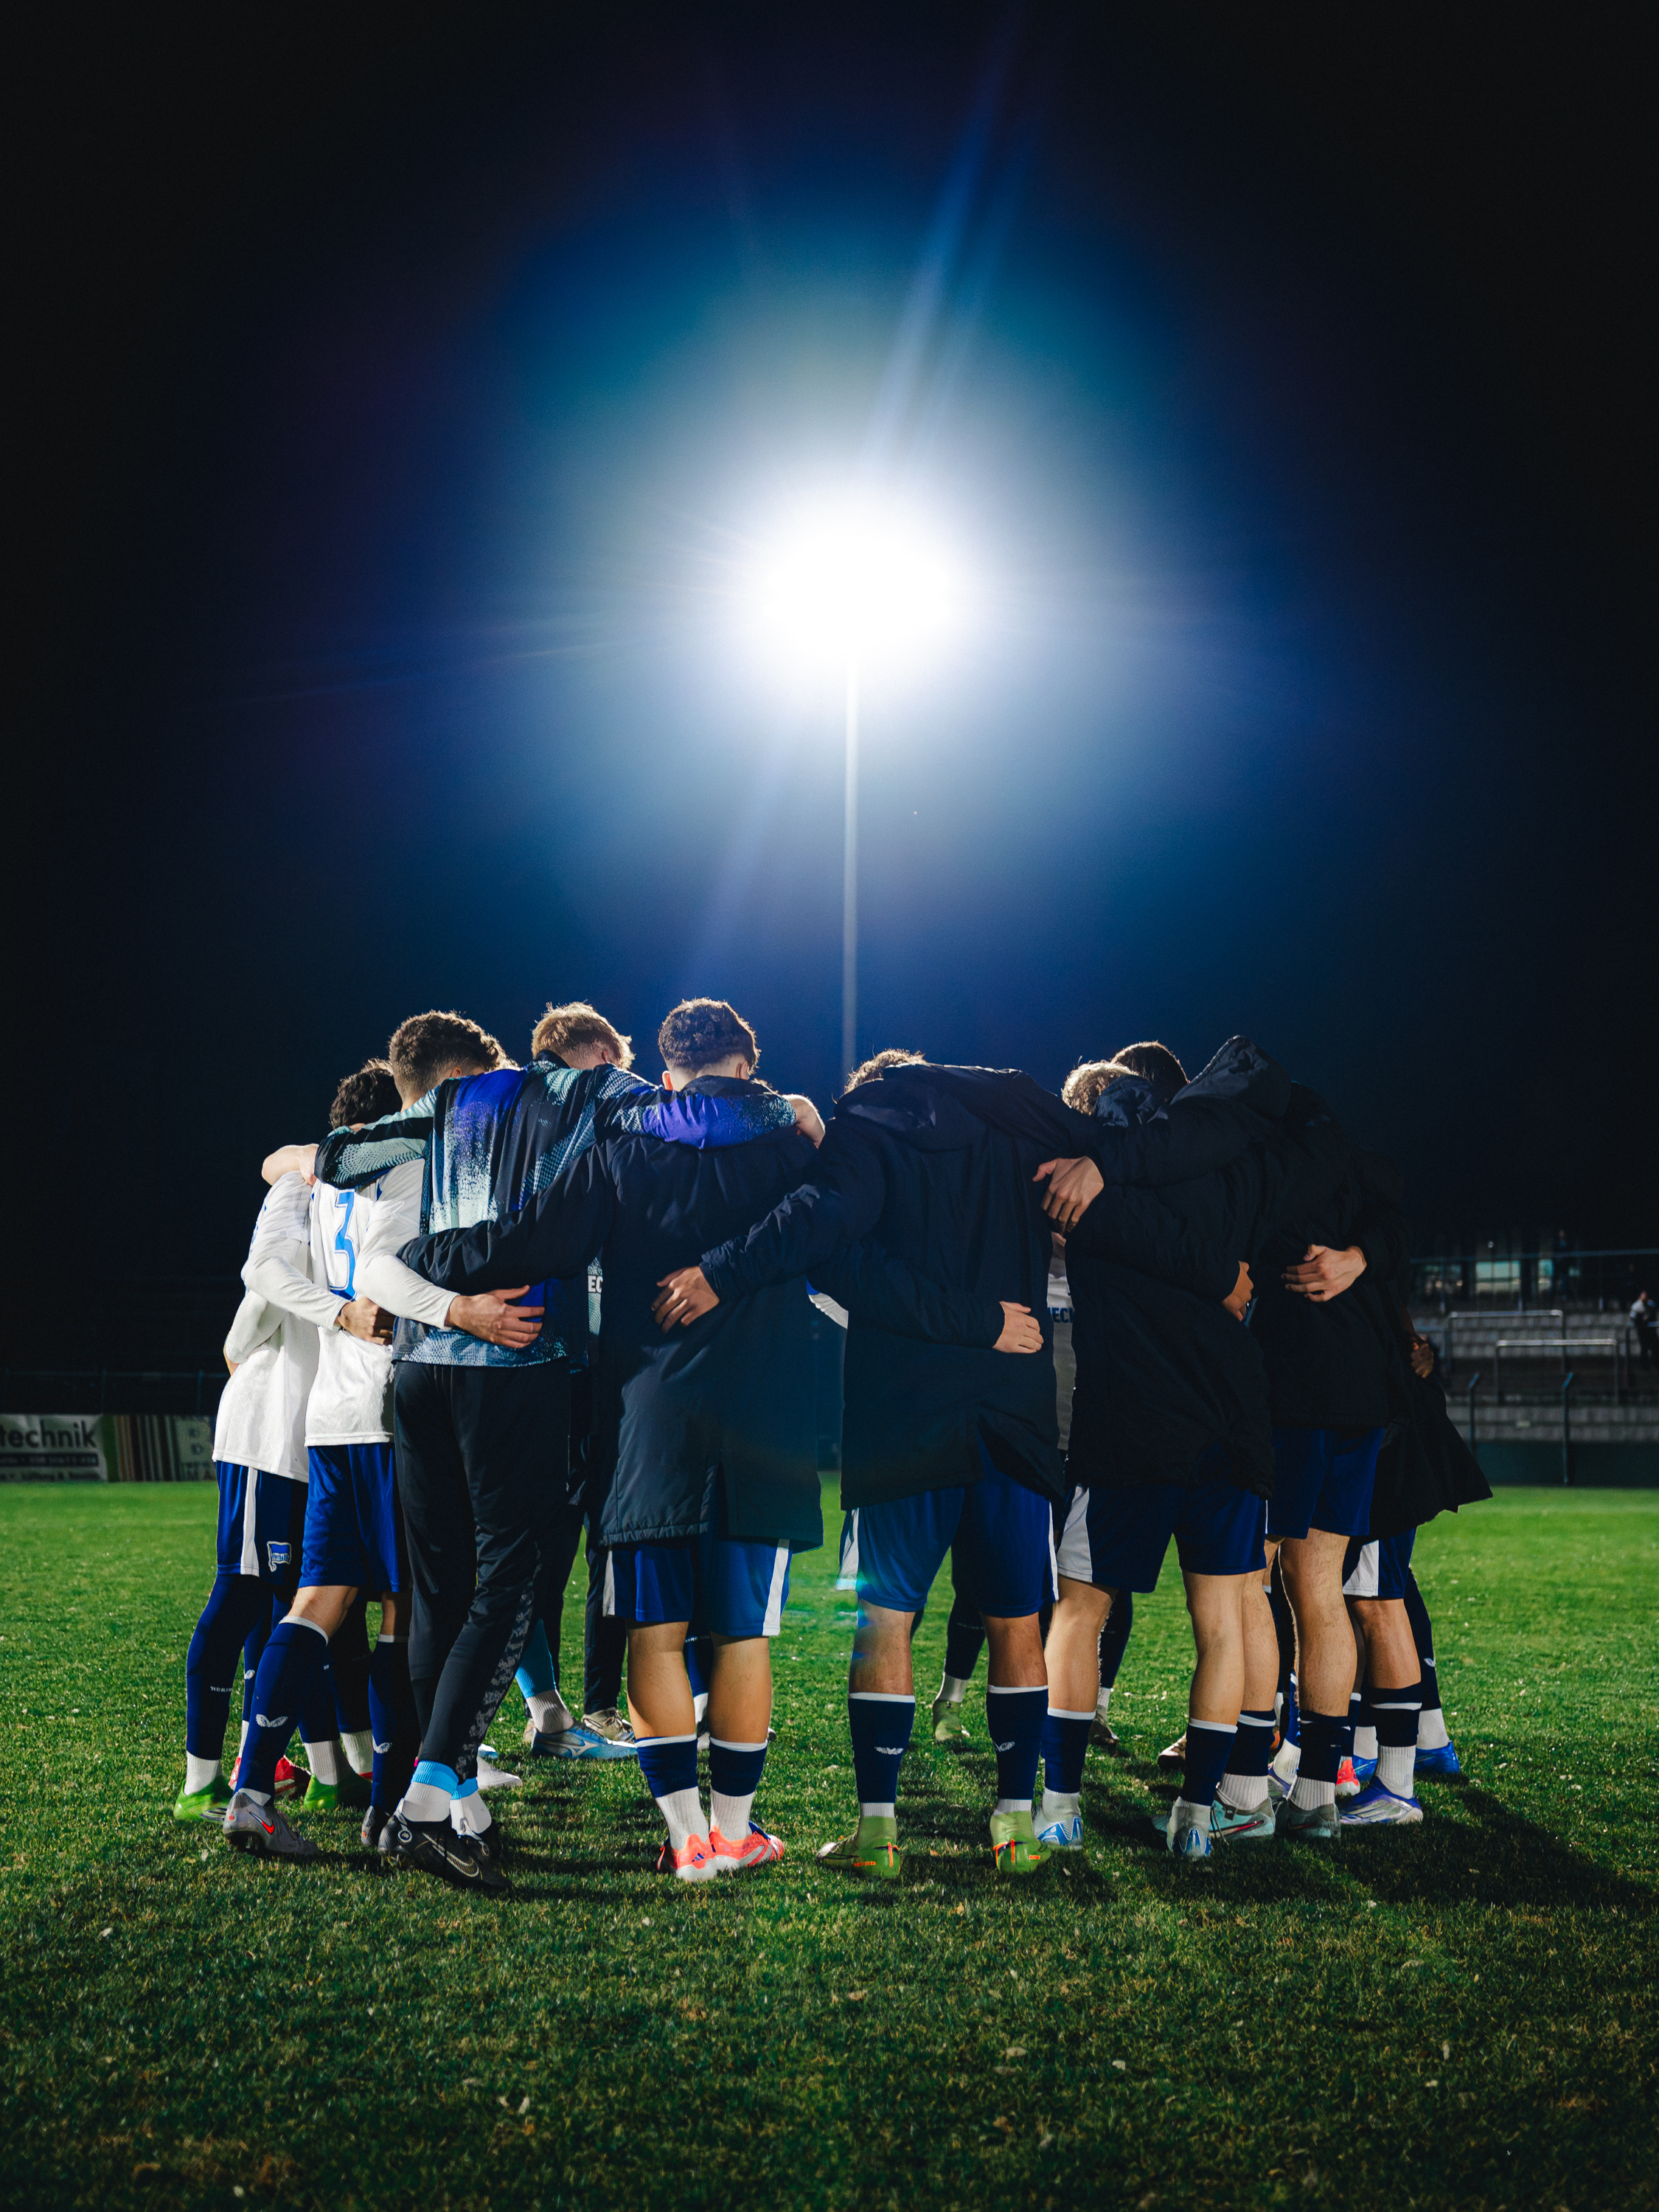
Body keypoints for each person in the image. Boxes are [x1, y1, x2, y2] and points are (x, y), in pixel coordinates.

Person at [405, 1002, 1027, 1879]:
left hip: (646, 1429)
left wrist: (430, 1257)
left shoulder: (621, 1149)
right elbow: (850, 1240)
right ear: (749, 1064)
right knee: (742, 1638)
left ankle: (686, 1837)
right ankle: (736, 1833)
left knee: (654, 1637)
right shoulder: (791, 1148)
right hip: (761, 1430)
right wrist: (975, 1318)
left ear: (668, 1074)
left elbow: (529, 1240)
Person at [652, 1047, 1224, 1881]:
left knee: (882, 1619)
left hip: (902, 1414)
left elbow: (829, 1240)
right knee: (1016, 1623)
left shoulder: (867, 1123)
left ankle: (880, 1832)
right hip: (1013, 1412)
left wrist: (718, 1273)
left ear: (868, 1089)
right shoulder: (1019, 1114)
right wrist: (1219, 1266)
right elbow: (1134, 1162)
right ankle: (1016, 1825)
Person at [1034, 1040, 1353, 1858]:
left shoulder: (1084, 1185)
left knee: (1079, 1612)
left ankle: (1061, 1806)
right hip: (1232, 1427)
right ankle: (1200, 1816)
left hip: (1128, 1431)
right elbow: (1312, 1142)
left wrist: (1100, 1166)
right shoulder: (1241, 1169)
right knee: (1222, 1622)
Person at [1632, 1289, 1658, 1372]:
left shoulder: (1651, 1304)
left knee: (1656, 1347)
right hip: (1642, 1330)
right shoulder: (1636, 1306)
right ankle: (1645, 1366)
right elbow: (1633, 1318)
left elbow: (1653, 1315)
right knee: (1644, 1348)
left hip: (1651, 1330)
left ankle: (1656, 1364)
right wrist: (1641, 1321)